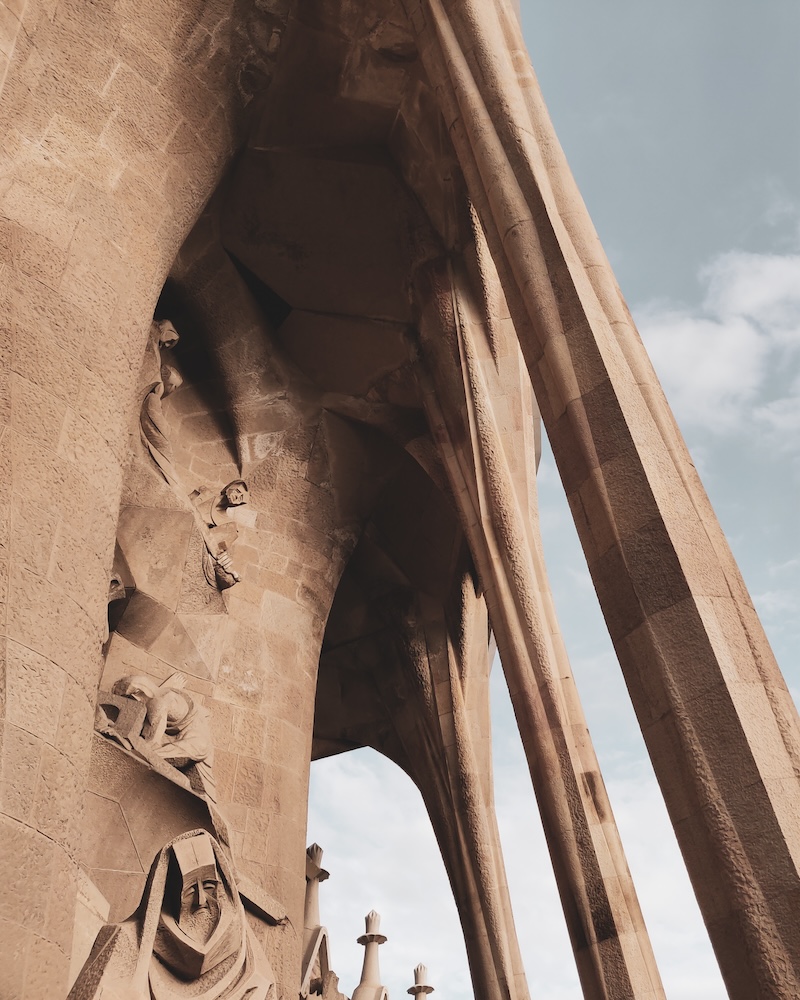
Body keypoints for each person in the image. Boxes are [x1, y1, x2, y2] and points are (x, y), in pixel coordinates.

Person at [67, 830, 276, 1000]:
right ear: (167, 895)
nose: (201, 901)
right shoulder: (126, 943)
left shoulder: (251, 966)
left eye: (210, 886)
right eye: (190, 890)